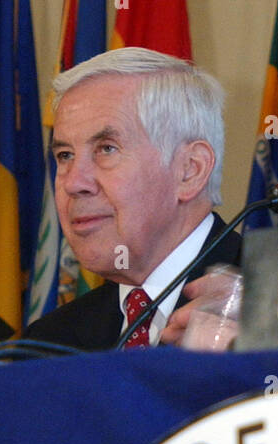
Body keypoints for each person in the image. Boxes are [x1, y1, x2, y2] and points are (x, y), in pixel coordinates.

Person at [26, 47, 241, 349]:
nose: (74, 183)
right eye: (64, 155)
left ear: (190, 170)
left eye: (107, 149)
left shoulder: (277, 305)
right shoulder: (48, 344)